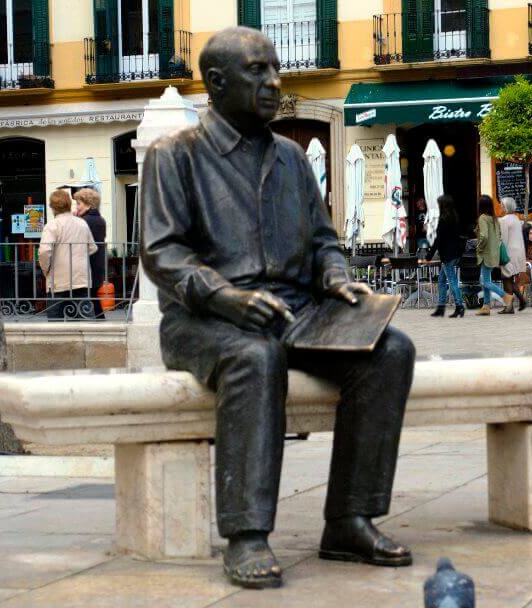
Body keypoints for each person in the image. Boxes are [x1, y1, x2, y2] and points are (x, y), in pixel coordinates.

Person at [140, 27, 416, 590]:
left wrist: (337, 276)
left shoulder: (291, 156)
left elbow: (323, 240)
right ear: (216, 83)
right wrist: (226, 297)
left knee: (391, 351)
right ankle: (247, 534)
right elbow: (161, 252)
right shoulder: (177, 157)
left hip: (298, 310)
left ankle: (348, 520)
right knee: (256, 358)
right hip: (206, 321)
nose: (274, 82)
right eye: (257, 71)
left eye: (275, 69)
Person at [38, 190, 97, 320]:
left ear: (52, 207)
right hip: (80, 278)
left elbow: (44, 251)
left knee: (55, 320)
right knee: (85, 317)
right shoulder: (82, 223)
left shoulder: (52, 225)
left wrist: (45, 269)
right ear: (69, 204)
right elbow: (92, 248)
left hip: (58, 279)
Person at [426, 194, 464, 318]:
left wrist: (429, 255)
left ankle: (459, 306)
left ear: (443, 205)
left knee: (452, 280)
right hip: (455, 254)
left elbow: (438, 239)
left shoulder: (444, 219)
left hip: (448, 255)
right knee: (442, 280)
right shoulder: (456, 217)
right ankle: (441, 308)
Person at [73, 188, 107, 319]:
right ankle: (100, 319)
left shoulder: (83, 221)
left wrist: (75, 219)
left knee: (86, 295)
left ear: (88, 204)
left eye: (78, 203)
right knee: (93, 295)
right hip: (98, 263)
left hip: (87, 264)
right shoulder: (100, 220)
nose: (77, 207)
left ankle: (90, 321)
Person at [474, 195, 508, 316]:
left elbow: (484, 236)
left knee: (485, 281)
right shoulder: (494, 218)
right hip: (494, 253)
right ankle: (486, 306)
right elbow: (498, 236)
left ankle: (506, 297)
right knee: (485, 279)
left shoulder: (482, 218)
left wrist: (479, 247)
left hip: (486, 254)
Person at [498, 197, 527, 313]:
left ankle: (515, 303)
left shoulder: (503, 220)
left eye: (501, 205)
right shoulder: (516, 218)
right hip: (518, 252)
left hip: (509, 252)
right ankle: (511, 306)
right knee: (509, 278)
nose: (500, 206)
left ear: (505, 207)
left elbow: (503, 240)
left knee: (506, 278)